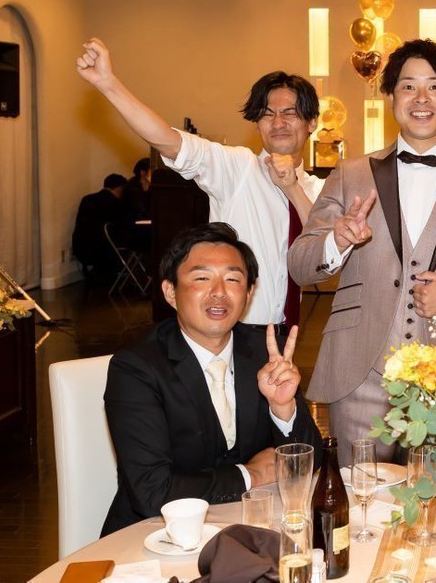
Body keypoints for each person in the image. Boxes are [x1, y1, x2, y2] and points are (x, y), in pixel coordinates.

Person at [289, 39, 436, 464]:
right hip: (360, 371)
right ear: (391, 98)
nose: (422, 98)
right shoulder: (349, 174)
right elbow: (300, 265)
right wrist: (337, 241)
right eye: (408, 86)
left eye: (434, 86)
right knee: (360, 496)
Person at [76, 38, 323, 329]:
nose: (278, 122)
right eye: (267, 114)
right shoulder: (237, 168)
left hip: (287, 333)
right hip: (232, 330)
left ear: (312, 122)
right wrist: (109, 84)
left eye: (290, 113)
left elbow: (325, 250)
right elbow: (168, 141)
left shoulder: (317, 190)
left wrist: (292, 188)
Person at [102, 223, 323, 534]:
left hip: (252, 529)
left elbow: (312, 461)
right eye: (202, 278)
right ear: (170, 292)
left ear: (248, 293)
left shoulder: (265, 352)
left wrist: (283, 409)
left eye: (233, 279)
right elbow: (152, 491)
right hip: (157, 535)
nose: (219, 292)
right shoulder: (137, 368)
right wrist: (250, 476)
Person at [71, 173, 133, 285]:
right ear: (120, 188)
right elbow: (123, 224)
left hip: (81, 247)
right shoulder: (115, 203)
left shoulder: (87, 199)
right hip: (105, 250)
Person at [124, 157, 152, 221]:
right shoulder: (132, 188)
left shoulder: (150, 187)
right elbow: (141, 211)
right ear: (143, 172)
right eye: (152, 171)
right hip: (132, 222)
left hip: (144, 221)